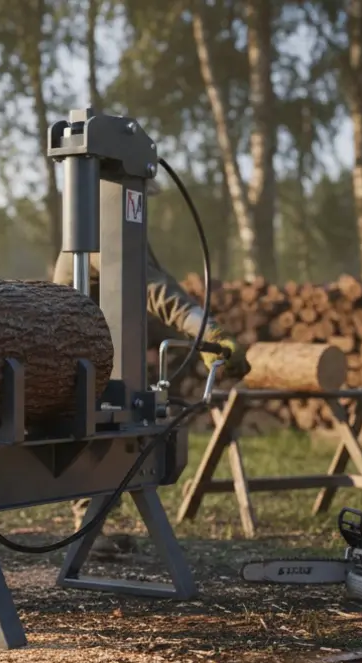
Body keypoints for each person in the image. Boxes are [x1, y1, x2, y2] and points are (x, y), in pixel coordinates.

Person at [51, 178, 247, 547]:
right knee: (96, 433)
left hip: (98, 352)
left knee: (107, 432)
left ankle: (93, 528)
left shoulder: (114, 231)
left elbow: (155, 284)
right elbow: (155, 291)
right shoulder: (97, 237)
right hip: (82, 357)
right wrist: (208, 333)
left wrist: (199, 331)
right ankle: (87, 528)